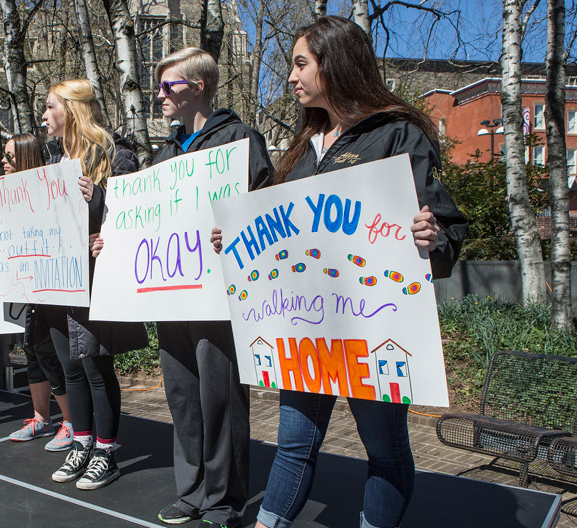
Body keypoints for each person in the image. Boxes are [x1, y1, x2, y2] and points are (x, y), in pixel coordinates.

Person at [209, 17, 466, 528]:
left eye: (301, 63)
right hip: (306, 326)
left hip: (372, 328)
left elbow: (445, 229)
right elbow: (277, 230)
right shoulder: (304, 148)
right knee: (293, 443)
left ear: (336, 63)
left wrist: (433, 237)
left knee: (384, 450)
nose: (290, 77)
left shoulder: (397, 134)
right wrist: (235, 239)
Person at [127, 47, 274, 528]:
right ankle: (189, 492)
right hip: (173, 294)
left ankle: (223, 501)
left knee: (220, 397)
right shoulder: (166, 152)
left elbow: (265, 211)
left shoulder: (239, 139)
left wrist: (238, 225)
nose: (160, 94)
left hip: (219, 294)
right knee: (183, 396)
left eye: (169, 85)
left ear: (200, 86)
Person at [40, 79, 148, 490]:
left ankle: (106, 451)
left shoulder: (115, 154)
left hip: (93, 278)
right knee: (70, 366)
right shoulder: (54, 160)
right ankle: (80, 442)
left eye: (51, 107)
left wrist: (97, 199)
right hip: (56, 279)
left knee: (95, 366)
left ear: (71, 109)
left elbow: (133, 218)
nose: (45, 115)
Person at [3, 134, 75, 451]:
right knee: (31, 350)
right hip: (25, 288)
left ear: (25, 158)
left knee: (48, 352)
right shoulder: (3, 198)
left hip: (50, 288)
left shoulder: (46, 191)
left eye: (9, 157)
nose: (3, 162)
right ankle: (40, 417)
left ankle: (71, 422)